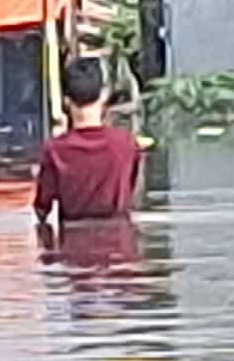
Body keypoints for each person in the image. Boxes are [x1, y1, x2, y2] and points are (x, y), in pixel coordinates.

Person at [32, 55, 149, 235]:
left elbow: (42, 209)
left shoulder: (55, 151)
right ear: (104, 97)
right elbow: (131, 191)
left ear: (66, 101)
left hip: (71, 250)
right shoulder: (126, 144)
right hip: (120, 250)